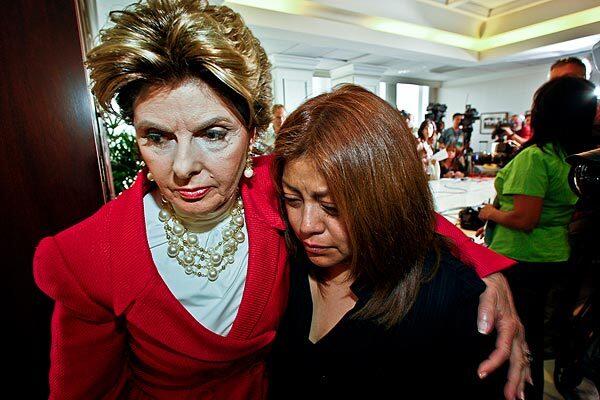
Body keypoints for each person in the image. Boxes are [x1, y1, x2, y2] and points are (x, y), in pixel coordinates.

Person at [33, 1, 528, 398]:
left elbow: (378, 205)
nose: (182, 167)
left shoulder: (280, 190)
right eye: (157, 137)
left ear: (253, 131)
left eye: (213, 134)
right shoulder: (87, 256)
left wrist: (484, 269)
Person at [270, 84, 508, 398]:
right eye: (292, 199)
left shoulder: (451, 298)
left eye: (332, 208)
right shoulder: (284, 259)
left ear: (385, 199)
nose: (306, 226)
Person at [478, 76, 598, 400]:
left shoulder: (535, 158)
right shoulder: (573, 159)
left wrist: (490, 214)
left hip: (523, 259)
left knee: (519, 339)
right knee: (538, 334)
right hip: (554, 255)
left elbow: (524, 219)